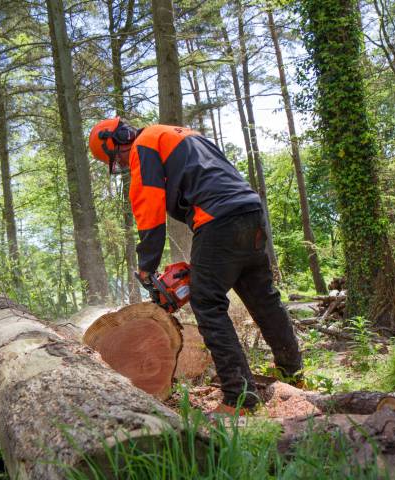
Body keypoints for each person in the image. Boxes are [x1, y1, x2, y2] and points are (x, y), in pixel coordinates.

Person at [89, 118, 303, 413]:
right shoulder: (181, 134)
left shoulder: (145, 144)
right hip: (250, 211)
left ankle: (240, 398)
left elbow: (148, 204)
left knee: (206, 302)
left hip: (219, 219)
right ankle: (293, 374)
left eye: (118, 160)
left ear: (115, 141)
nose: (124, 165)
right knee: (263, 298)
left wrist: (147, 265)